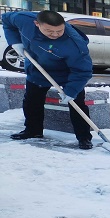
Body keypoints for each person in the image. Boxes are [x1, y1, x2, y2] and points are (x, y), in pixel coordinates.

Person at [1, 10, 94, 149]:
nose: (55, 34)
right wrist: (15, 42)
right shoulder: (23, 19)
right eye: (50, 31)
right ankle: (33, 131)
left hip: (66, 73)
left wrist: (71, 91)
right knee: (32, 101)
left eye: (59, 31)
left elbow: (82, 71)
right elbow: (6, 20)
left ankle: (84, 137)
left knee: (77, 103)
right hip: (37, 68)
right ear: (36, 24)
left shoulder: (75, 44)